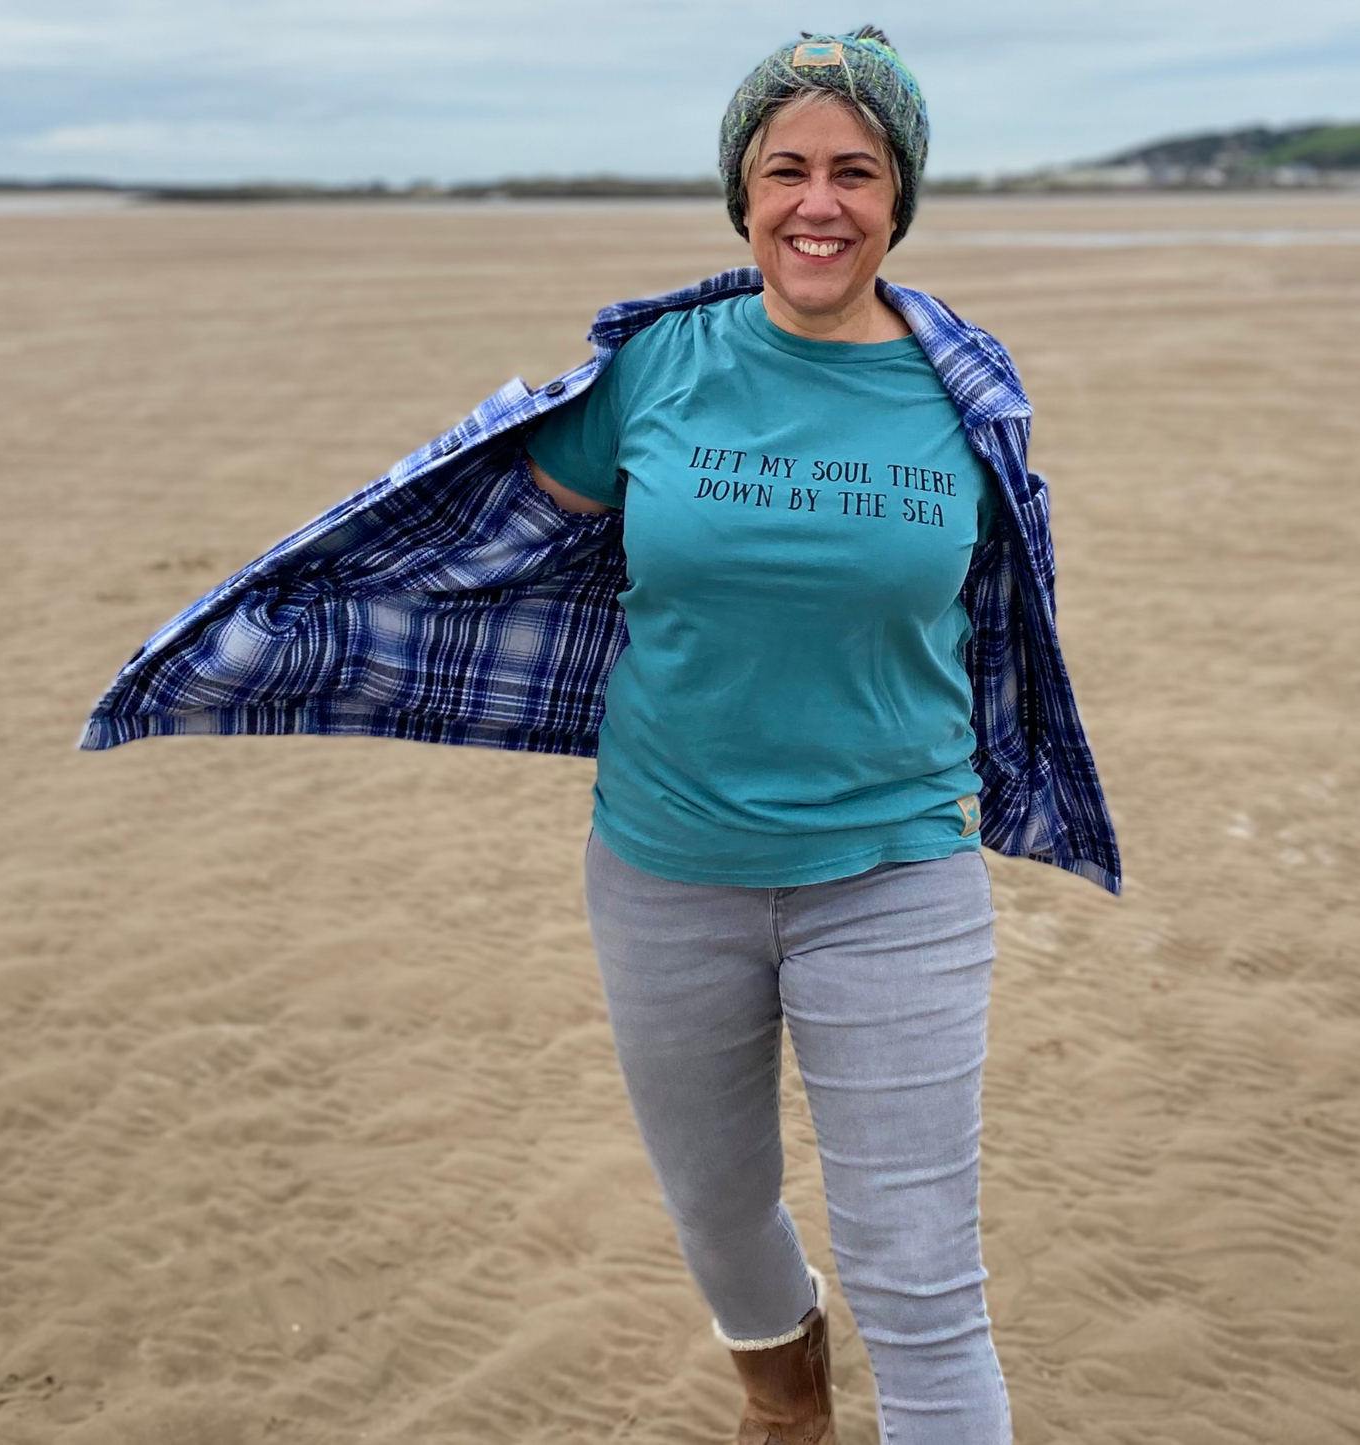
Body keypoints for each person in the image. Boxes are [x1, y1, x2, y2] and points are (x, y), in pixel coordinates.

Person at [84, 27, 1119, 1445]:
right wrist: (305, 630)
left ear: (900, 199)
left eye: (856, 173)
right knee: (718, 1209)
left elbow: (1005, 620)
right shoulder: (660, 367)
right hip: (663, 872)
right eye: (786, 170)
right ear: (743, 194)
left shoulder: (964, 394)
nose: (819, 203)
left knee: (926, 1284)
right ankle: (785, 1407)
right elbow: (483, 544)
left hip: (895, 877)